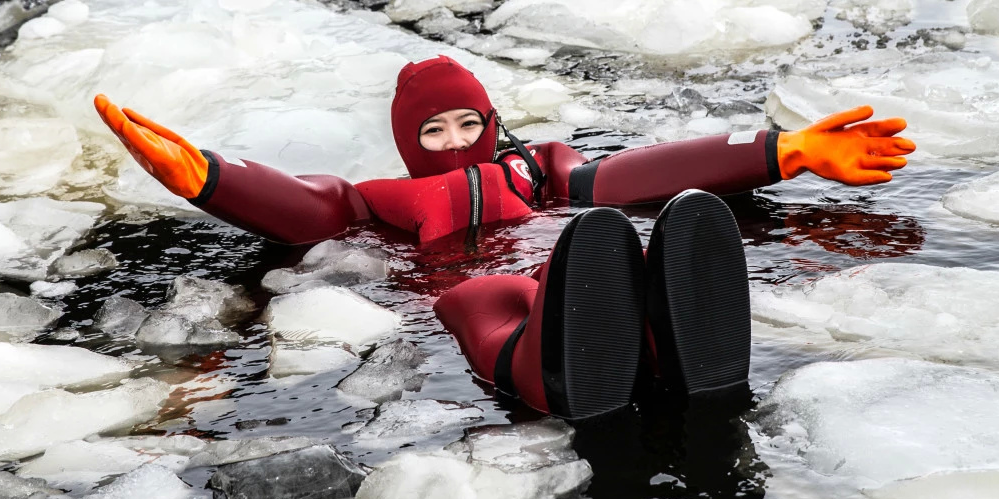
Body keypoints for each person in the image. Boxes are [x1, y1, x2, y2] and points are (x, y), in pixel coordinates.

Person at [94, 55, 913, 422]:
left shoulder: (540, 171)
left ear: (490, 121)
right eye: (433, 131)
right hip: (476, 285)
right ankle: (556, 370)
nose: (452, 144)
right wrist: (205, 174)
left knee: (609, 245)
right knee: (486, 299)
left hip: (568, 252)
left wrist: (783, 151)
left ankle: (674, 345)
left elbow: (633, 175)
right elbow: (304, 208)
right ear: (408, 139)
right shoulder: (383, 200)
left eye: (466, 124)